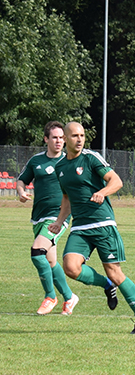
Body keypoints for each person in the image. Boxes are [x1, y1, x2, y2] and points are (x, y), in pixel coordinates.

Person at [48, 122, 135, 333]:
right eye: (75, 135)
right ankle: (106, 285)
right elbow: (67, 197)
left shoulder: (91, 158)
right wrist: (59, 221)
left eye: (82, 135)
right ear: (65, 138)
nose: (79, 139)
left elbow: (116, 181)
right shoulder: (60, 168)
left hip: (102, 223)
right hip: (80, 226)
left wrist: (102, 192)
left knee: (115, 273)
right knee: (71, 267)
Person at [16, 121, 79, 315]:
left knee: (37, 251)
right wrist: (20, 191)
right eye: (55, 137)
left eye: (62, 137)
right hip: (38, 217)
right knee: (50, 261)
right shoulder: (36, 161)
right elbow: (21, 180)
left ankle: (50, 296)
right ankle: (70, 297)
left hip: (58, 217)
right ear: (46, 139)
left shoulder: (69, 161)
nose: (59, 141)